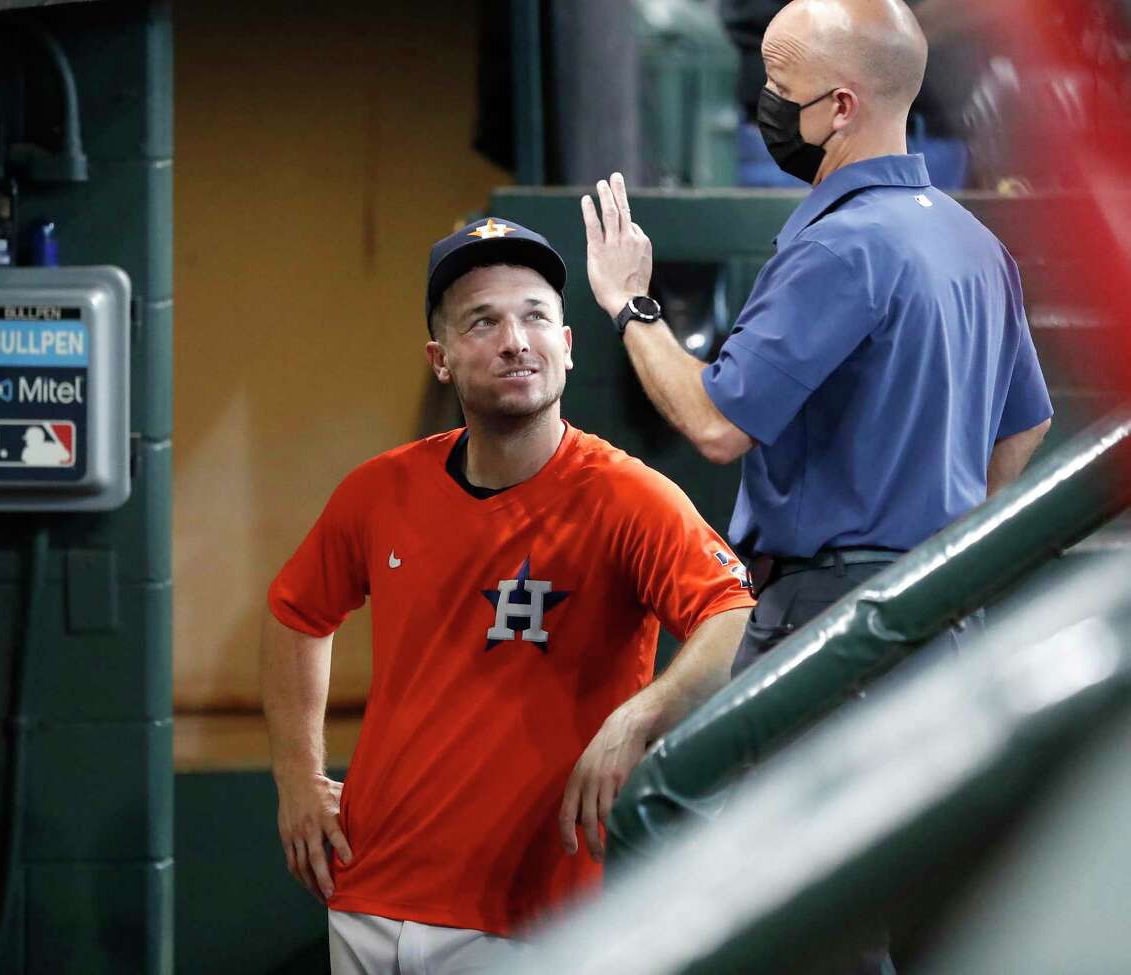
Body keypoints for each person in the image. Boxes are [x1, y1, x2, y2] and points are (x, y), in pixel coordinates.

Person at [582, 1, 1052, 968]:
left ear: (840, 106)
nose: (764, 103)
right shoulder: (973, 244)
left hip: (831, 623)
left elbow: (717, 422)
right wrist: (947, 546)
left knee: (805, 921)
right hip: (941, 617)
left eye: (778, 87)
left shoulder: (843, 242)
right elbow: (1029, 424)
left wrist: (631, 305)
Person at [261, 217, 755, 973]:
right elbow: (296, 613)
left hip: (540, 913)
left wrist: (640, 716)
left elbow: (734, 618)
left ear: (567, 343)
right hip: (368, 891)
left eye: (534, 317)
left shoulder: (628, 497)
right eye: (483, 322)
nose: (515, 340)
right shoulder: (379, 490)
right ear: (441, 359)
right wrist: (298, 777)